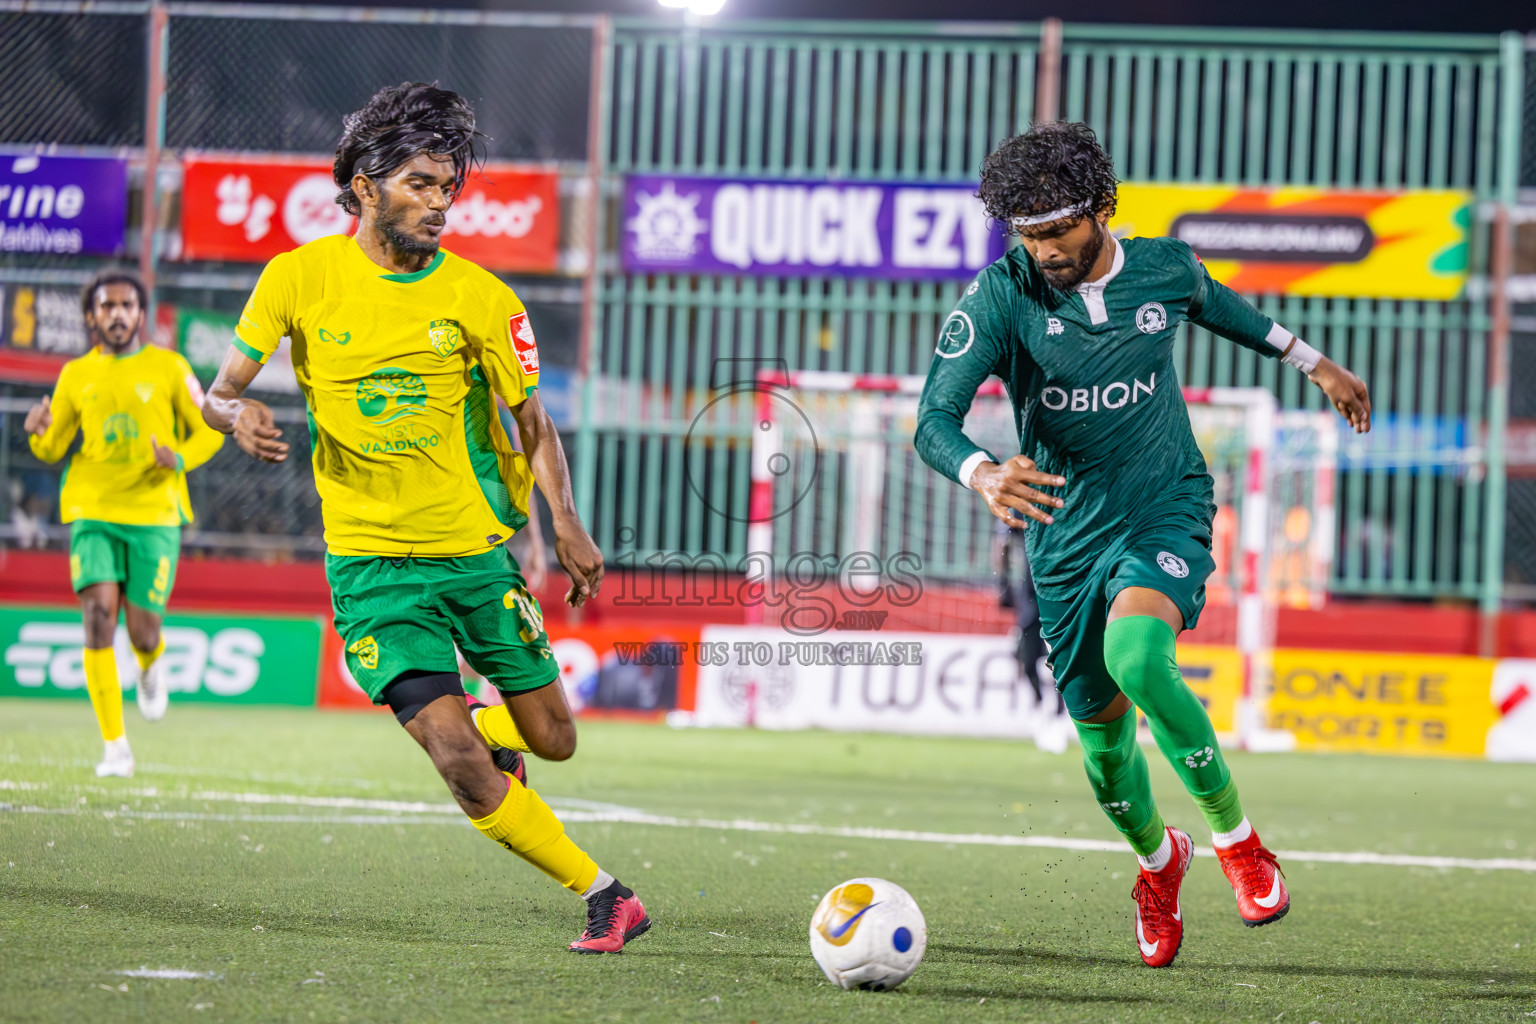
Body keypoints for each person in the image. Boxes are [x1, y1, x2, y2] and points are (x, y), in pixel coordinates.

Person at [202, 82, 647, 955]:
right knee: (458, 762)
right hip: (372, 571)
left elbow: (532, 421)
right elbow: (217, 393)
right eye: (419, 184)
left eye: (448, 187)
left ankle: (493, 733)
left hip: (476, 557)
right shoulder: (297, 278)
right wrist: (234, 414)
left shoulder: (482, 297)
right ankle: (607, 896)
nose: (440, 203)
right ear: (364, 186)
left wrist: (565, 519)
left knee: (553, 740)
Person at [915, 122, 1371, 968]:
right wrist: (981, 471)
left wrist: (1316, 363)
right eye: (1028, 234)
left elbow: (1231, 312)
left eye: (1059, 229)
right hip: (1064, 539)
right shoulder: (1001, 296)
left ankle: (1238, 842)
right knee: (1103, 754)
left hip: (1166, 505)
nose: (1045, 249)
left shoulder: (1164, 269)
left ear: (1101, 209)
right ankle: (1161, 863)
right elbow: (932, 419)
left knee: (1138, 657)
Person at [25, 269, 224, 777]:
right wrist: (38, 434)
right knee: (97, 616)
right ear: (91, 316)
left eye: (127, 305)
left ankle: (150, 665)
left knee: (142, 631)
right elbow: (52, 447)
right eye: (107, 306)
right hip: (92, 509)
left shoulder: (169, 366)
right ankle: (115, 747)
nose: (118, 314)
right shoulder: (75, 375)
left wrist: (178, 458)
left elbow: (210, 430)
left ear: (140, 314)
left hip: (155, 514)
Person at [993, 516, 1067, 753]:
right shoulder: (1021, 510)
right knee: (1026, 662)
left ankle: (1058, 717)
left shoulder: (1063, 512)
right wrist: (1003, 585)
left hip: (1059, 596)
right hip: (1029, 599)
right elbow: (1002, 541)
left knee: (1060, 662)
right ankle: (1039, 708)